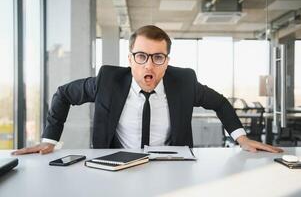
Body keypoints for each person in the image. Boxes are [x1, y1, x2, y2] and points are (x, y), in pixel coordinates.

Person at [12, 25, 283, 155]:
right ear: (130, 59)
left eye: (158, 57)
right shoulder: (107, 80)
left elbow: (220, 103)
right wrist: (49, 140)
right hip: (115, 163)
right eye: (141, 56)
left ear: (167, 62)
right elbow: (63, 95)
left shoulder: (184, 82)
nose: (148, 64)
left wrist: (241, 138)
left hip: (171, 164)